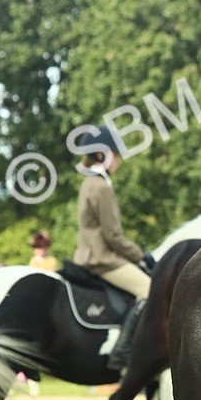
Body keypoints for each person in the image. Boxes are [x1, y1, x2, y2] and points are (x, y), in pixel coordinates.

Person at [74, 126, 154, 371]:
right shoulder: (101, 187)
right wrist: (141, 255)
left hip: (87, 254)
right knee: (149, 290)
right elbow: (113, 236)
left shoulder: (89, 183)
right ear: (101, 155)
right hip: (102, 258)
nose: (118, 160)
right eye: (115, 154)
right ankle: (122, 351)